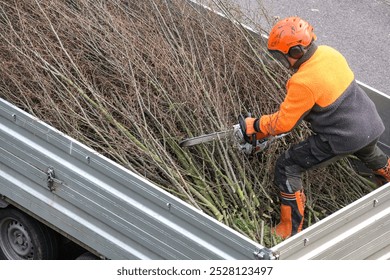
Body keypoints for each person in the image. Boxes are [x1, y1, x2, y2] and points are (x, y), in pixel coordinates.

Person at [242, 16, 389, 239]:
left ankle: (288, 230)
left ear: (296, 52)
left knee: (287, 166)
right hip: (369, 123)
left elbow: (284, 124)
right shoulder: (330, 53)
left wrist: (255, 126)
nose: (281, 64)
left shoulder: (303, 82)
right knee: (368, 152)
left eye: (281, 58)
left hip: (343, 137)